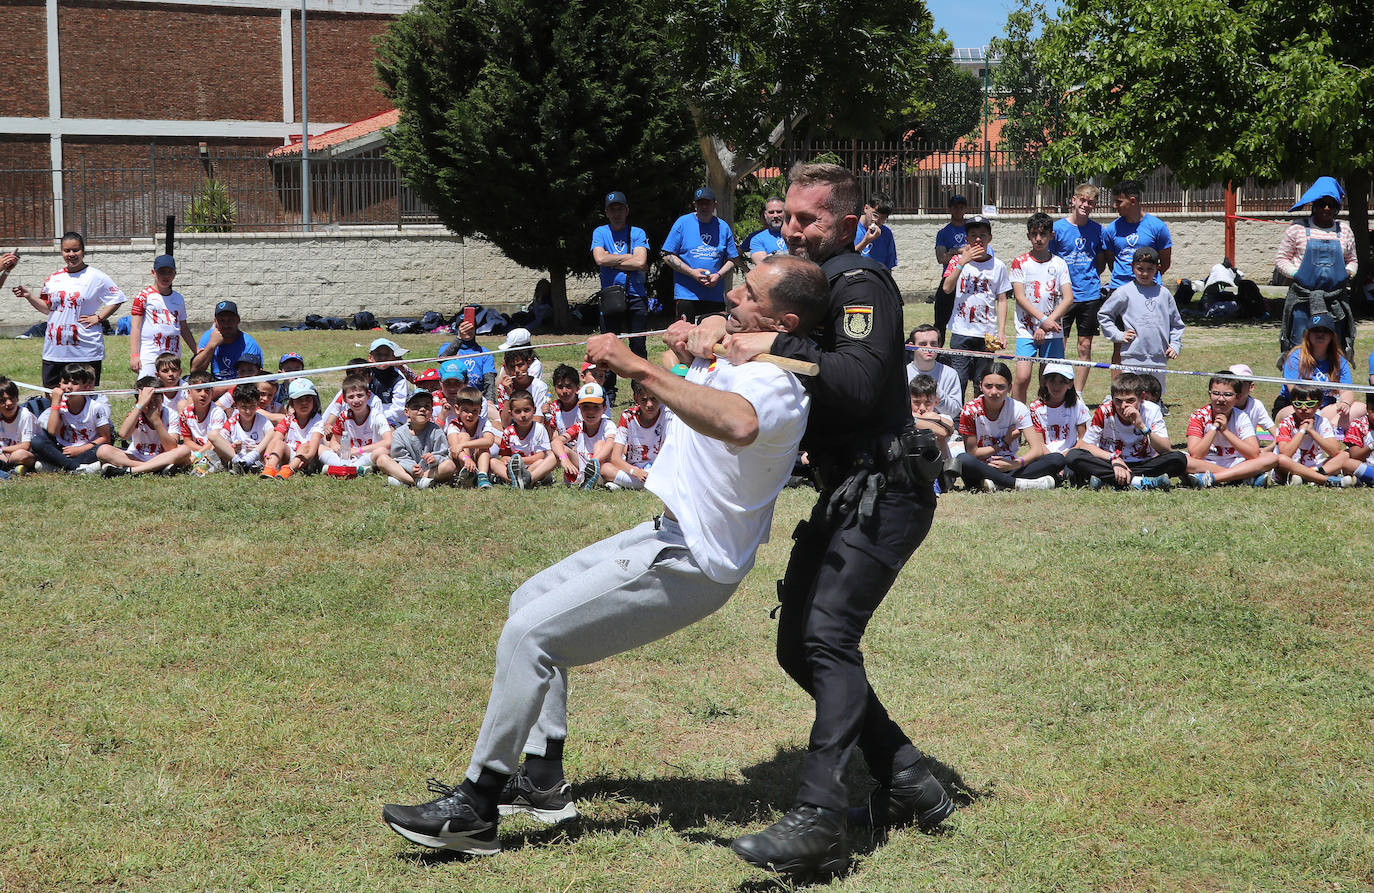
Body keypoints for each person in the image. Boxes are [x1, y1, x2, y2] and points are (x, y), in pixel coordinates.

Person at [380, 254, 823, 859]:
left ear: (785, 318)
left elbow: (737, 424)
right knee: (528, 601)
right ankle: (540, 777)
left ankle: (476, 808)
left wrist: (636, 364)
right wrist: (686, 353)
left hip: (693, 557)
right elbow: (698, 393)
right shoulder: (748, 361)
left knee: (529, 635)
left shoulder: (778, 383)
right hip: (668, 532)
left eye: (748, 294)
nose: (733, 296)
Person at [684, 163, 947, 881]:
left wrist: (774, 346)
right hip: (842, 490)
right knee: (798, 647)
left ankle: (819, 817)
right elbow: (752, 317)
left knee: (828, 637)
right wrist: (722, 324)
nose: (793, 228)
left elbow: (860, 383)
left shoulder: (860, 283)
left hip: (887, 489)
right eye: (789, 216)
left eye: (810, 220)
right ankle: (910, 780)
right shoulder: (808, 284)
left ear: (849, 221)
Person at [12, 232, 126, 387]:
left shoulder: (96, 277)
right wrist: (28, 296)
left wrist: (99, 317)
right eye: (67, 250)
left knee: (84, 397)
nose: (71, 254)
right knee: (53, 395)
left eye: (76, 250)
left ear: (83, 251)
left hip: (85, 351)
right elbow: (48, 309)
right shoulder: (53, 278)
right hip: (55, 350)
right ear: (61, 252)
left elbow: (117, 298)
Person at [1275, 176, 1357, 359]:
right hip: (1303, 300)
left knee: (1333, 349)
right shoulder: (1297, 228)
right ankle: (1298, 384)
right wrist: (1296, 273)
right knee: (1300, 347)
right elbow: (1281, 260)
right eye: (1321, 203)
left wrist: (1349, 272)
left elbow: (1352, 260)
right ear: (1314, 205)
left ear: (1337, 207)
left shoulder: (1345, 231)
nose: (1326, 208)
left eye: (1331, 204)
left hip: (1334, 300)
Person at [1098, 180, 1172, 373]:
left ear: (1132, 201)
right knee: (1119, 342)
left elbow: (1164, 262)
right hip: (1120, 291)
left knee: (1151, 339)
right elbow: (1111, 260)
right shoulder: (1112, 229)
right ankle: (1117, 392)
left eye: (1117, 201)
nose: (1114, 206)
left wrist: (1145, 282)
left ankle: (1152, 391)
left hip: (1149, 292)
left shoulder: (1157, 227)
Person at [1066, 372, 1184, 490]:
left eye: (1130, 400)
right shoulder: (1104, 411)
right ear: (1112, 399)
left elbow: (1166, 448)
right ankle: (1139, 481)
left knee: (1178, 459)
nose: (1123, 406)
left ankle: (1108, 480)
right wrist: (1113, 458)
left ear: (1142, 397)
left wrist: (1142, 427)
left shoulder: (1152, 410)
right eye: (1118, 401)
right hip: (1110, 462)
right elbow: (1086, 445)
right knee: (1074, 456)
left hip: (1144, 462)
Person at [955, 363, 1060, 491]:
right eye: (988, 386)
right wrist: (1003, 443)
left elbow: (1037, 449)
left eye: (1000, 387)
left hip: (1012, 466)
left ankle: (997, 483)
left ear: (1010, 388)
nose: (994, 392)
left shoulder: (1018, 409)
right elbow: (973, 453)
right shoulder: (970, 410)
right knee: (964, 460)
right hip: (982, 467)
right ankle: (1018, 483)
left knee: (1057, 459)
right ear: (981, 385)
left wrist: (1014, 464)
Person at [939, 214, 1009, 400]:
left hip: (987, 332)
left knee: (983, 380)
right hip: (961, 329)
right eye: (973, 235)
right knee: (958, 378)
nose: (978, 239)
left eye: (983, 235)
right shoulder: (957, 262)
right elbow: (947, 288)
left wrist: (1001, 331)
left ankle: (980, 418)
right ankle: (956, 420)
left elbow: (1002, 299)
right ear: (966, 238)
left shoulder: (998, 266)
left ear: (990, 238)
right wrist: (962, 262)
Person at [1096, 247, 1184, 393]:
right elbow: (1104, 315)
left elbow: (1177, 324)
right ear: (1132, 267)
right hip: (1132, 356)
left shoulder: (1164, 294)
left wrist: (1175, 344)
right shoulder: (1124, 292)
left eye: (1150, 269)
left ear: (1158, 268)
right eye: (1140, 268)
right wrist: (1118, 335)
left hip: (1158, 356)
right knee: (1131, 394)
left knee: (1154, 395)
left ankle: (1158, 406)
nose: (1145, 273)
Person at [1010, 212, 1075, 402]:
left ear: (1051, 236)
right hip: (1026, 329)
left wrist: (1049, 322)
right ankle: (1019, 417)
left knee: (1050, 378)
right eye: (1034, 234)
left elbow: (1068, 297)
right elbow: (1020, 297)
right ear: (1028, 236)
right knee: (1022, 377)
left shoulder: (1059, 263)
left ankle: (1044, 413)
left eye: (1043, 234)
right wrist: (1042, 320)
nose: (1038, 239)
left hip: (1053, 331)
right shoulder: (1020, 262)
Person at [1051, 184, 1107, 395]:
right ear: (1074, 200)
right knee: (1059, 347)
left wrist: (1089, 278)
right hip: (1063, 296)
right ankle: (1059, 390)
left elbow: (1100, 263)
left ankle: (1078, 393)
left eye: (1090, 202)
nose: (1085, 205)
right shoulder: (1058, 229)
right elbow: (1051, 261)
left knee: (1084, 347)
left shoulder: (1097, 230)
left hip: (1090, 295)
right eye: (1082, 200)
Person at [591, 189, 651, 368]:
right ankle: (608, 391)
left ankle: (641, 390)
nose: (616, 213)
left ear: (627, 210)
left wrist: (612, 261)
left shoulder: (637, 233)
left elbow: (641, 261)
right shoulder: (600, 232)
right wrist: (628, 258)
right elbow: (599, 259)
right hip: (610, 296)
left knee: (638, 346)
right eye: (612, 209)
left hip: (636, 295)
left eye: (620, 209)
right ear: (606, 212)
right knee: (608, 346)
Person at [1185, 373, 1279, 487]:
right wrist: (1214, 428)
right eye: (1216, 393)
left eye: (1228, 395)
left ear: (1237, 397)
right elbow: (1196, 454)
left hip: (1237, 462)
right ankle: (1242, 476)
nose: (1221, 399)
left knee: (1272, 458)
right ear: (1209, 394)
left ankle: (1214, 478)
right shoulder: (1199, 415)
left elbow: (1253, 453)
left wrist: (1225, 431)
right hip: (1206, 463)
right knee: (1181, 459)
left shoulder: (1242, 417)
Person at [1275, 313, 1362, 434]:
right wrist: (1311, 410)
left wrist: (1345, 404)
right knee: (1291, 414)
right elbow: (1294, 391)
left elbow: (1347, 390)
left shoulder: (1339, 360)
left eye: (1325, 331)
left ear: (1332, 336)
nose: (1320, 334)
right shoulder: (1295, 357)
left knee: (1360, 408)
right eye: (1315, 330)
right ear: (1308, 334)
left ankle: (1330, 424)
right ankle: (1326, 425)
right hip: (1298, 407)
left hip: (1325, 409)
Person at [661, 186, 738, 321]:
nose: (704, 206)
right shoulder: (683, 223)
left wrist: (718, 275)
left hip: (714, 295)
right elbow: (667, 255)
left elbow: (732, 259)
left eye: (707, 203)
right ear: (694, 205)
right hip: (687, 295)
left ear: (715, 204)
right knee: (686, 337)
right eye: (700, 203)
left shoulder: (723, 227)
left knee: (714, 339)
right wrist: (691, 272)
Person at [96, 377, 187, 476]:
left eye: (156, 400)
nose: (152, 405)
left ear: (162, 399)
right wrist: (140, 407)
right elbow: (123, 435)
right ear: (138, 402)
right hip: (137, 456)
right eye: (148, 402)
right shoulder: (136, 413)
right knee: (103, 450)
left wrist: (156, 421)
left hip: (163, 456)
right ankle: (156, 468)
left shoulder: (170, 414)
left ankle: (130, 470)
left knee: (184, 450)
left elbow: (171, 447)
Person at [31, 364, 109, 474]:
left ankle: (60, 467)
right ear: (59, 385)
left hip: (87, 449)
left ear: (85, 387)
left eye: (75, 383)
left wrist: (79, 450)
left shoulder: (96, 407)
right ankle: (76, 468)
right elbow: (53, 431)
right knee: (36, 441)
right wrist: (55, 404)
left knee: (104, 450)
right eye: (65, 382)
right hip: (62, 450)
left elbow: (105, 438)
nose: (69, 387)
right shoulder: (59, 406)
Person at [1272, 384, 1353, 487]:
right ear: (1292, 405)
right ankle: (1327, 480)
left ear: (1319, 405)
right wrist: (1301, 431)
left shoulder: (1322, 422)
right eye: (1298, 404)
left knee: (1345, 455)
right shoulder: (1286, 423)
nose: (1303, 408)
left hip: (1315, 467)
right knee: (1281, 459)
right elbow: (1286, 453)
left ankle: (1309, 476)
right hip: (1290, 467)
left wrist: (1312, 432)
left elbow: (1335, 451)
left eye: (1310, 404)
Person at [128, 254, 195, 377]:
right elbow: (135, 327)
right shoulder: (143, 296)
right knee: (148, 388)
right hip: (150, 354)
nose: (166, 276)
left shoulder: (178, 298)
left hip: (172, 353)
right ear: (153, 273)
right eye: (162, 272)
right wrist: (134, 355)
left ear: (174, 274)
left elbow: (183, 328)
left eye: (170, 272)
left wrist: (196, 351)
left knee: (170, 388)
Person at [378, 390, 456, 488]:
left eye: (427, 406)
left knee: (449, 466)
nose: (422, 409)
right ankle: (416, 481)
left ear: (431, 411)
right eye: (416, 407)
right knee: (382, 459)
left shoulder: (436, 430)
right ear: (407, 412)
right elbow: (400, 457)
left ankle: (407, 480)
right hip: (407, 470)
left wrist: (435, 458)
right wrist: (411, 467)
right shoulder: (399, 433)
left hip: (430, 470)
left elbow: (443, 453)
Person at [321, 374, 393, 477]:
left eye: (360, 395)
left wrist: (358, 451)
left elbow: (388, 441)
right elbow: (335, 439)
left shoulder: (377, 416)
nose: (356, 400)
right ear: (344, 400)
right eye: (351, 397)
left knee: (382, 451)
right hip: (348, 455)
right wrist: (335, 445)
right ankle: (355, 469)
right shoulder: (343, 416)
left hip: (368, 454)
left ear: (368, 395)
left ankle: (340, 469)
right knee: (321, 448)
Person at [552, 382, 614, 488]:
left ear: (604, 408)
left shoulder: (608, 424)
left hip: (601, 466)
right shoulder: (579, 426)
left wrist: (593, 463)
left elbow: (610, 443)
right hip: (584, 467)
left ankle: (595, 477)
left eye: (596, 407)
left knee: (599, 444)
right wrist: (564, 459)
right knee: (561, 450)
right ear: (579, 408)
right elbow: (556, 442)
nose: (591, 411)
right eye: (586, 407)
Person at [491, 389, 556, 489]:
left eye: (526, 410)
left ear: (534, 410)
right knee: (493, 462)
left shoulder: (539, 429)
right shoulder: (508, 432)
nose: (523, 415)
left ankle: (527, 479)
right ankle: (517, 481)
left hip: (533, 466)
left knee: (549, 459)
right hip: (514, 469)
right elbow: (504, 456)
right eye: (517, 411)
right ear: (511, 414)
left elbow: (541, 455)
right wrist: (507, 460)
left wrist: (520, 461)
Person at [260, 378, 324, 480]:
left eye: (308, 398)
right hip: (290, 454)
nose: (304, 403)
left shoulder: (317, 420)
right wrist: (267, 454)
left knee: (304, 446)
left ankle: (288, 470)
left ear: (314, 401)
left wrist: (308, 457)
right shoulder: (288, 419)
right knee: (280, 444)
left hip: (307, 457)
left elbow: (314, 442)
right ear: (292, 403)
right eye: (299, 400)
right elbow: (276, 439)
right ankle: (269, 467)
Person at [1027, 363, 1089, 467]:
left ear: (1070, 384)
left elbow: (1083, 438)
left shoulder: (1077, 405)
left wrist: (1067, 454)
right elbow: (1038, 444)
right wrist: (1053, 459)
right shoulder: (1035, 408)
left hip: (1071, 454)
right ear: (1045, 382)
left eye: (1062, 382)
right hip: (1046, 456)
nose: (1056, 386)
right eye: (1052, 381)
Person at [191, 301, 263, 385]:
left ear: (238, 320)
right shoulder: (208, 337)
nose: (226, 325)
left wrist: (218, 391)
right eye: (222, 320)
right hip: (215, 384)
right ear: (215, 321)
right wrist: (211, 346)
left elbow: (251, 382)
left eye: (230, 320)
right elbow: (195, 371)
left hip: (240, 389)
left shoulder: (249, 344)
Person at [209, 382, 274, 474]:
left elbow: (272, 435)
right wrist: (233, 447)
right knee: (213, 435)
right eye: (244, 407)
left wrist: (256, 450)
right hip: (236, 456)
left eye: (252, 406)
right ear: (236, 406)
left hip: (257, 457)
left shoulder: (263, 421)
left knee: (272, 432)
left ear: (257, 404)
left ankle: (249, 460)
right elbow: (219, 443)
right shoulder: (232, 422)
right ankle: (239, 463)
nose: (248, 411)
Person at [933, 194, 971, 345]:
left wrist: (952, 251)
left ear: (966, 209)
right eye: (955, 207)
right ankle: (938, 350)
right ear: (949, 209)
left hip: (969, 279)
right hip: (949, 278)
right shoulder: (943, 233)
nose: (958, 210)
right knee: (940, 319)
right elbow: (941, 258)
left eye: (962, 207)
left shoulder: (971, 229)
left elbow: (977, 251)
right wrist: (960, 251)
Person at [905, 324, 963, 422]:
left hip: (940, 427)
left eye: (933, 344)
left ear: (939, 346)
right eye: (923, 344)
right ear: (911, 346)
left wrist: (936, 392)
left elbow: (954, 412)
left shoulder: (950, 374)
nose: (929, 348)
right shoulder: (903, 373)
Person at [446, 385, 498, 489]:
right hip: (461, 459)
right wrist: (466, 459)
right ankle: (466, 474)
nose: (470, 415)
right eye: (466, 410)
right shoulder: (454, 425)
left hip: (477, 458)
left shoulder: (483, 422)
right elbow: (455, 448)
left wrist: (464, 445)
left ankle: (482, 476)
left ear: (480, 410)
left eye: (475, 410)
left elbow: (489, 441)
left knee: (483, 447)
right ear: (457, 409)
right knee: (464, 436)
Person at [177, 369, 228, 475]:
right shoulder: (185, 413)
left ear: (212, 392)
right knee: (180, 449)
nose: (203, 394)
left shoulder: (217, 412)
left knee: (215, 449)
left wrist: (196, 456)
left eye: (207, 390)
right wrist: (200, 453)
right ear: (189, 392)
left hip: (216, 449)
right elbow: (187, 441)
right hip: (199, 451)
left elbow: (214, 442)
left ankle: (199, 466)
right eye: (198, 390)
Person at [1227, 364, 1277, 450]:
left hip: (1250, 450)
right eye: (1232, 383)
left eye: (1240, 384)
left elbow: (1276, 433)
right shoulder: (1223, 405)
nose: (1236, 388)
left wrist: (1268, 449)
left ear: (1251, 387)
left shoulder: (1256, 405)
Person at [368, 337, 412, 428]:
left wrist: (379, 419)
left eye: (387, 354)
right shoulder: (365, 374)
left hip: (392, 421)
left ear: (392, 357)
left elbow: (398, 409)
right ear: (370, 358)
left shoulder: (399, 378)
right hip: (366, 417)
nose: (383, 358)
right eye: (379, 354)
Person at [0, 376, 38, 476]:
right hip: (4, 453)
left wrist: (2, 450)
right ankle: (15, 468)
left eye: (11, 398)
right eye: (3, 401)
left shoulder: (25, 415)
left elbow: (26, 446)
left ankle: (8, 467)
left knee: (21, 455)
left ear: (17, 398)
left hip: (26, 453)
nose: (9, 403)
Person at [854, 193, 897, 271]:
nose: (877, 221)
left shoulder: (886, 233)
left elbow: (888, 267)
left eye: (883, 218)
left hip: (876, 281)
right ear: (866, 208)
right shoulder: (852, 229)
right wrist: (866, 242)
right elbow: (847, 259)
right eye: (875, 215)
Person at [541, 364, 582, 440]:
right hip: (562, 446)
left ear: (577, 387)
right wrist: (546, 419)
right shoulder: (554, 409)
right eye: (560, 387)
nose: (564, 391)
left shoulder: (583, 406)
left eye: (568, 386)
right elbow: (552, 437)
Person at [745, 196, 788, 265]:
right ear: (765, 215)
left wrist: (773, 256)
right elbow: (763, 264)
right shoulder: (757, 239)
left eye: (779, 212)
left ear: (786, 212)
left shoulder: (797, 234)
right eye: (771, 212)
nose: (775, 215)